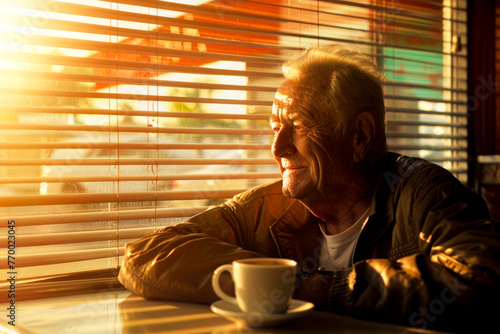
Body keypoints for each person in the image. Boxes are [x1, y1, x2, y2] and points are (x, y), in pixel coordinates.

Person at [118, 45, 500, 332]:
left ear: (360, 137)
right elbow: (144, 258)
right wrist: (278, 285)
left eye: (298, 125)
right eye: (274, 127)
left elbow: (479, 284)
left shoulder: (426, 195)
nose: (277, 147)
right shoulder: (268, 207)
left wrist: (322, 289)